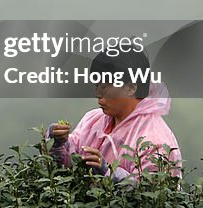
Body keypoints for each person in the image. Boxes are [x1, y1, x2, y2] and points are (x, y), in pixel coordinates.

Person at [46, 46, 182, 185]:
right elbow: (66, 168)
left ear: (130, 87)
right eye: (97, 85)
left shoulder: (153, 141)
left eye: (105, 86)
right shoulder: (93, 120)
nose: (98, 94)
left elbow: (150, 198)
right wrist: (57, 143)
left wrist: (109, 174)